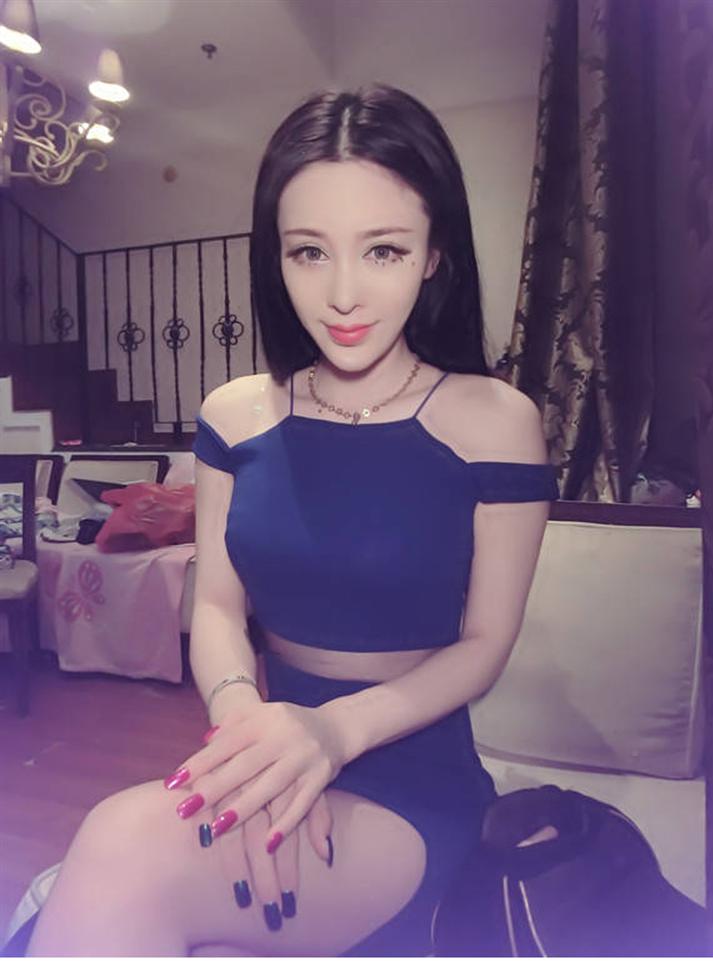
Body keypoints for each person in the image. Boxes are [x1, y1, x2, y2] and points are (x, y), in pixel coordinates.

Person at [23, 82, 559, 957]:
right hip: (265, 742)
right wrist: (253, 733)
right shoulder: (233, 415)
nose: (343, 293)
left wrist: (333, 733)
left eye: (383, 249)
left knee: (122, 848)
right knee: (129, 863)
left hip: (409, 773)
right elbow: (217, 605)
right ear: (275, 256)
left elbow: (485, 644)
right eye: (309, 251)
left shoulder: (498, 420)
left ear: (434, 254)